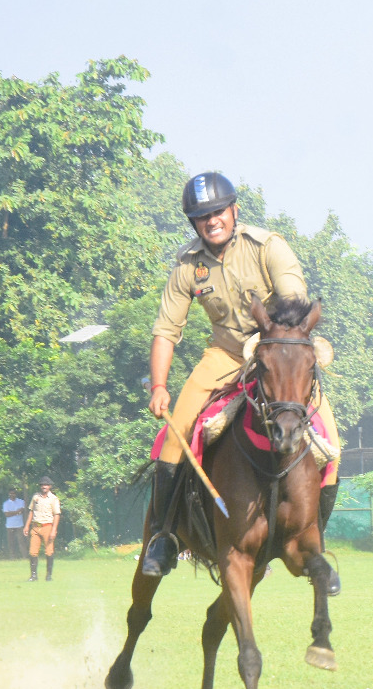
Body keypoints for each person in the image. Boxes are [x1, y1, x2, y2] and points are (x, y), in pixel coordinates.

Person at [140, 172, 342, 585]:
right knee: (175, 434)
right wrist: (159, 385)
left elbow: (293, 303)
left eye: (217, 211)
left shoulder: (269, 247)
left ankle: (314, 538)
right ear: (193, 223)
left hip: (277, 353)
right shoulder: (186, 267)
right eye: (202, 217)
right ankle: (163, 537)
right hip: (225, 355)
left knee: (331, 444)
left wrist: (273, 340)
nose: (211, 221)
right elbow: (166, 331)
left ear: (233, 210)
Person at [24, 479, 61, 582]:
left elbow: (56, 515)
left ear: (50, 486)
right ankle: (33, 575)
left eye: (46, 485)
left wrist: (54, 530)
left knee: (49, 552)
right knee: (33, 552)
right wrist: (27, 525)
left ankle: (49, 575)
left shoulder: (53, 498)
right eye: (42, 485)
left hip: (47, 526)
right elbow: (31, 511)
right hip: (35, 527)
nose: (44, 486)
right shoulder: (36, 497)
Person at [2, 490, 27, 559]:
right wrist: (16, 512)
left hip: (19, 525)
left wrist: (12, 513)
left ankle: (24, 556)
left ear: (16, 494)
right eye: (11, 493)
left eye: (13, 493)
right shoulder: (6, 503)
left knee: (21, 541)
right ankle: (12, 557)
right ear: (8, 494)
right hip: (10, 525)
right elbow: (7, 514)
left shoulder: (21, 501)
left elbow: (22, 510)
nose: (12, 495)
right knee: (11, 542)